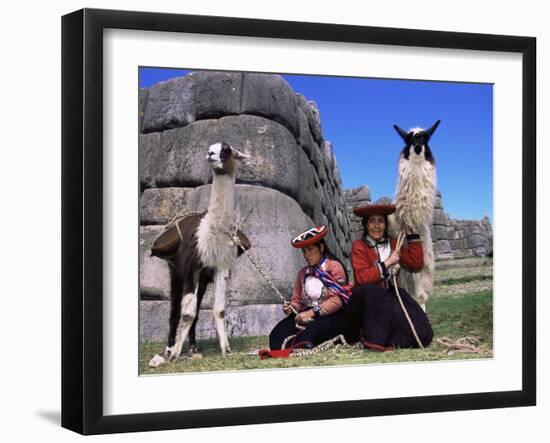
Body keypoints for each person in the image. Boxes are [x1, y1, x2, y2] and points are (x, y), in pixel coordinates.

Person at [346, 203, 433, 351]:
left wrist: (411, 232)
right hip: (366, 300)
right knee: (369, 290)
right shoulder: (359, 246)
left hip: (389, 295)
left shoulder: (393, 245)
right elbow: (363, 278)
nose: (377, 226)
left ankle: (392, 340)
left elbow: (415, 264)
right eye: (372, 221)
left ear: (386, 224)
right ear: (366, 225)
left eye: (381, 221)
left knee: (423, 331)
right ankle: (375, 340)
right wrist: (388, 263)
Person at [268, 225, 352, 351]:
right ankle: (299, 344)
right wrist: (291, 308)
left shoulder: (334, 267)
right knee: (277, 333)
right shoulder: (303, 273)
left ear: (321, 248)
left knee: (315, 327)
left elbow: (337, 300)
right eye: (304, 251)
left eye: (310, 249)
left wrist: (312, 313)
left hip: (331, 316)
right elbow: (297, 301)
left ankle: (303, 344)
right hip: (307, 315)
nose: (307, 255)